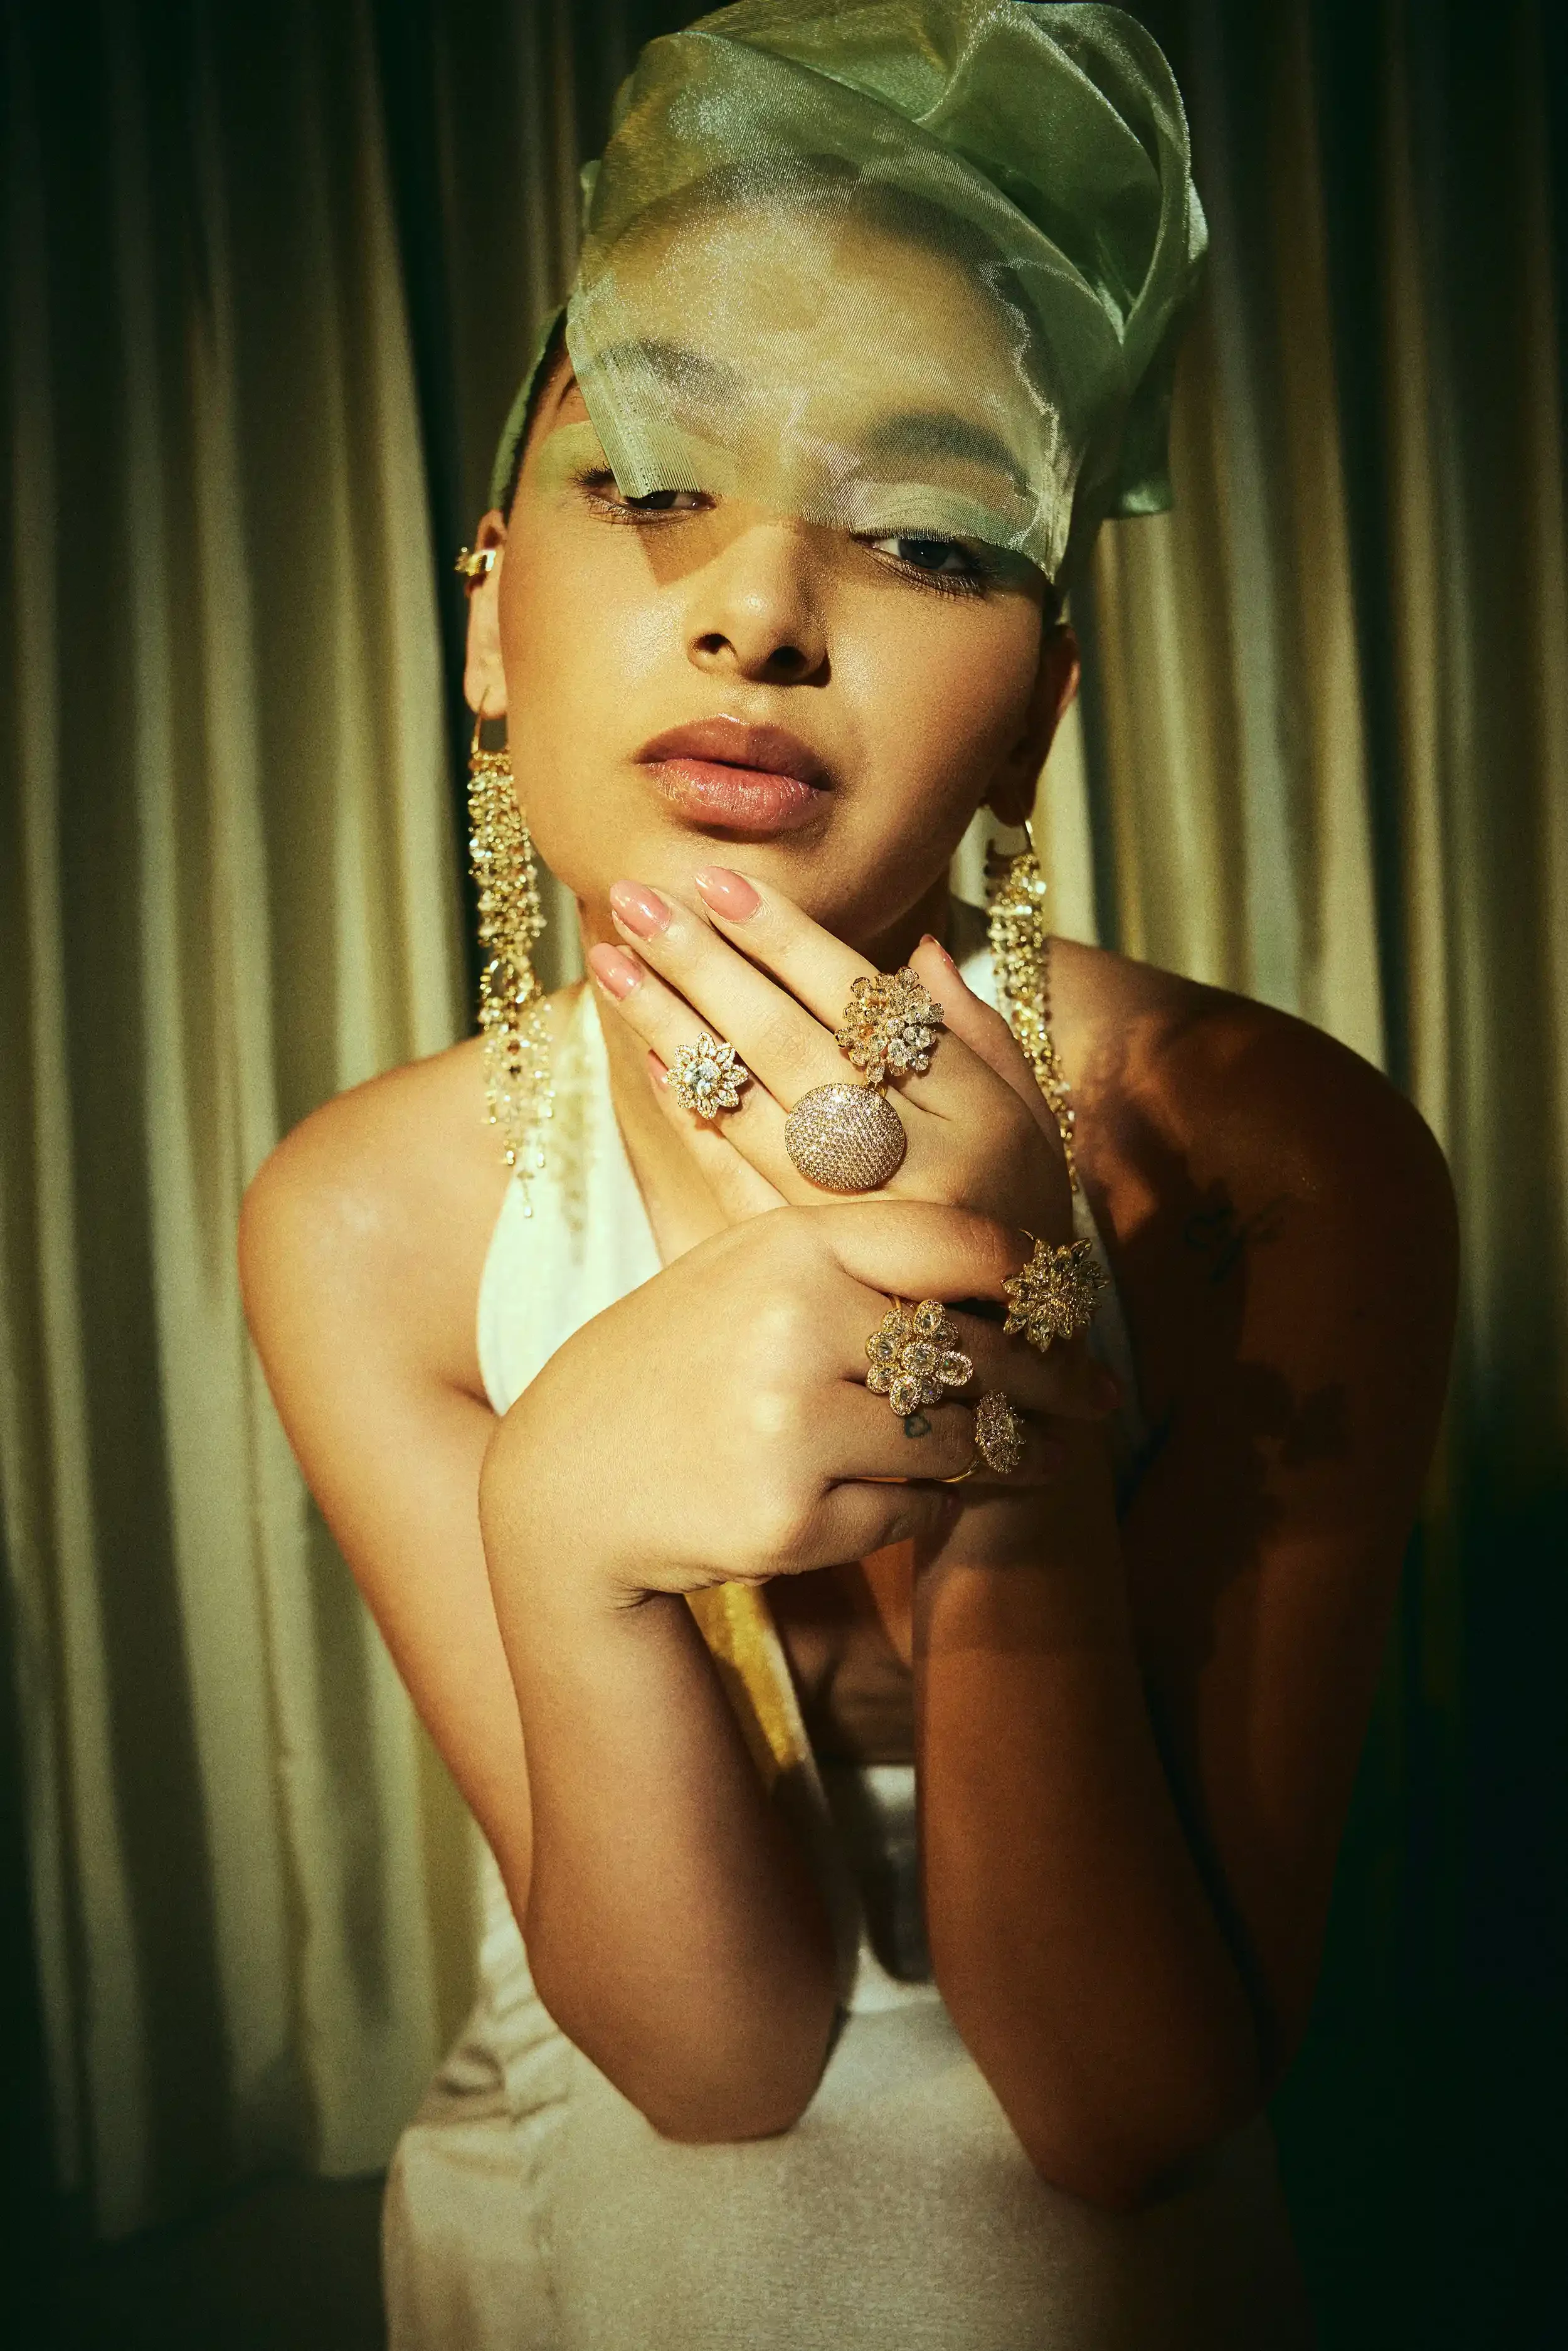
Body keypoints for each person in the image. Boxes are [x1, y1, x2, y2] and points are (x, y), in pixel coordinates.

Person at [239, 4, 1457, 2343]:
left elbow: (1126, 2104)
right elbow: (712, 2064)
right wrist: (556, 1524)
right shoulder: (371, 1219)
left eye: (924, 527)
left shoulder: (1279, 1166)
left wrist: (1003, 1408)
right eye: (651, 479)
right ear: (485, 614)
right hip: (626, 2158)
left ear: (1042, 703)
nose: (757, 609)